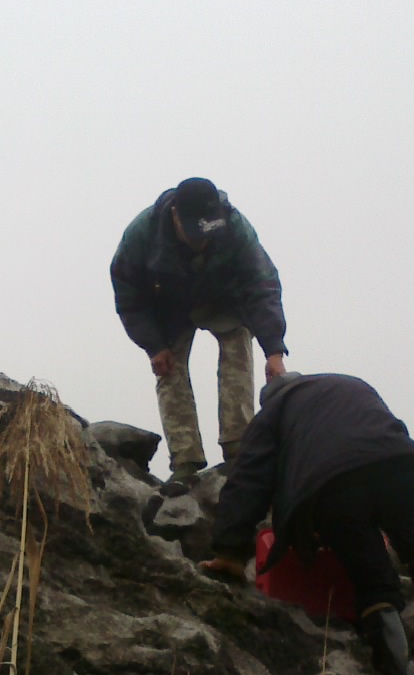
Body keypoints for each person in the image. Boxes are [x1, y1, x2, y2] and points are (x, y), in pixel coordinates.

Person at [199, 371, 414, 675]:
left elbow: (249, 479)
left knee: (374, 583)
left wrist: (230, 550)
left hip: (336, 487)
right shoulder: (350, 383)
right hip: (400, 464)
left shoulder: (273, 411)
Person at [110, 178, 288, 481]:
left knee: (238, 345)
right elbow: (129, 297)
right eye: (196, 234)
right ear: (176, 216)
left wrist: (274, 350)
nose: (203, 241)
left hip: (222, 297)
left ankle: (238, 444)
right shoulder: (142, 235)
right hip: (167, 305)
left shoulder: (236, 228)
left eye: (209, 233)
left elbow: (262, 284)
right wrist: (154, 345)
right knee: (168, 368)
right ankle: (185, 460)